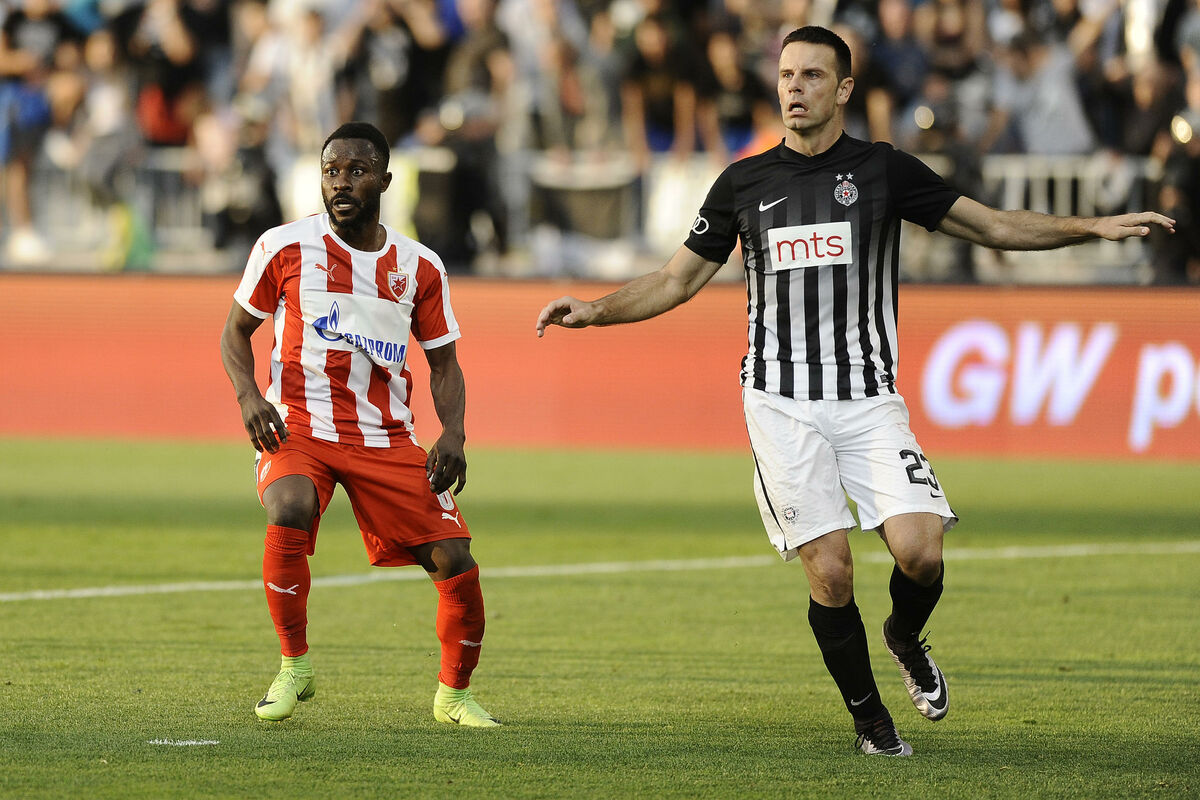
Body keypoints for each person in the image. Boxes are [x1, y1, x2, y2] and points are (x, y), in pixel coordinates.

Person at [535, 26, 1174, 756]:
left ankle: (904, 635)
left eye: (812, 75)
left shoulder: (883, 170)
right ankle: (872, 722)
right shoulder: (743, 182)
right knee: (831, 570)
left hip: (868, 397)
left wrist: (1090, 227)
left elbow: (993, 226)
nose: (795, 87)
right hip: (780, 402)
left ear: (844, 89)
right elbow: (676, 280)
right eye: (786, 75)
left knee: (922, 553)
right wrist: (595, 310)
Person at [220, 121, 499, 727]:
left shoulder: (419, 267)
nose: (341, 183)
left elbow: (444, 364)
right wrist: (249, 398)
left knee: (456, 560)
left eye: (356, 171)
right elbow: (235, 332)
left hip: (385, 436)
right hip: (299, 426)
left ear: (386, 181)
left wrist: (453, 432)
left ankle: (454, 696)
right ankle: (294, 665)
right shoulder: (283, 247)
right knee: (289, 507)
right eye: (331, 171)